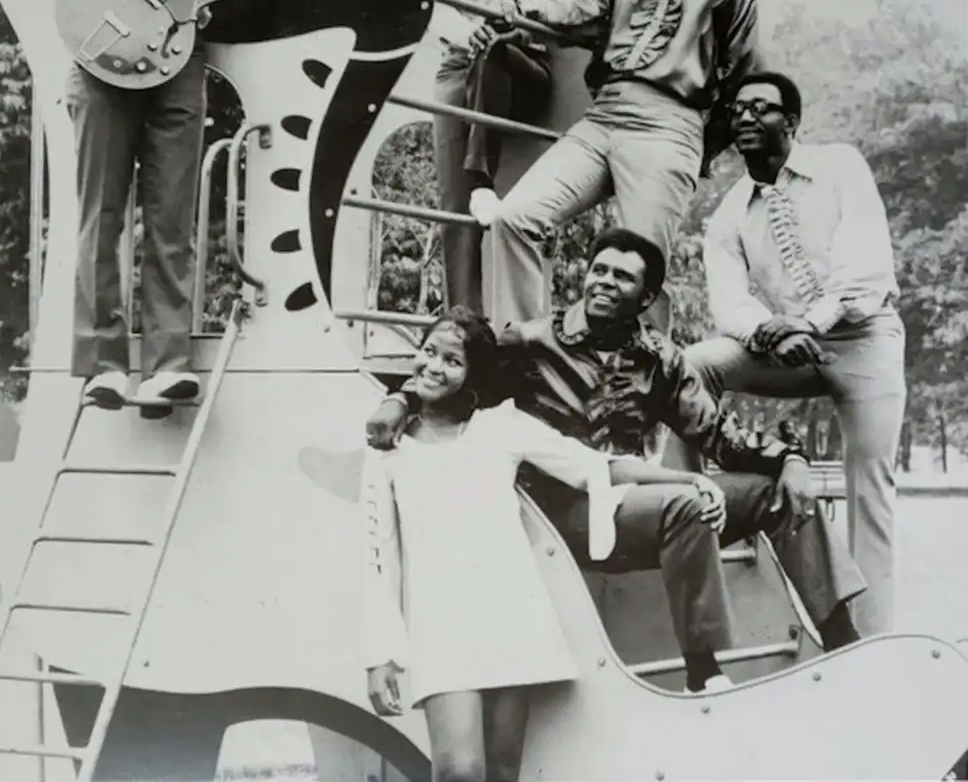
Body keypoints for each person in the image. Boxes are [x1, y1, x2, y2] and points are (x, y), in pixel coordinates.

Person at [366, 230, 867, 696]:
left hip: (632, 498)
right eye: (599, 270)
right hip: (559, 511)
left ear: (646, 298)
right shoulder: (530, 342)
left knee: (780, 492)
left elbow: (717, 434)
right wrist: (401, 400)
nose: (604, 282)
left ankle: (845, 643)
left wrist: (790, 459)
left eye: (622, 277)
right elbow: (454, 369)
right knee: (685, 503)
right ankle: (704, 673)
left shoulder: (661, 359)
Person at [361, 306, 740, 782]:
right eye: (429, 351)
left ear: (472, 374)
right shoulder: (387, 450)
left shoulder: (501, 427)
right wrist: (380, 655)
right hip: (439, 626)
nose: (434, 366)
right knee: (459, 770)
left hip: (512, 616)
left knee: (503, 772)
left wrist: (686, 479)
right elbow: (379, 558)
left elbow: (591, 466)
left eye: (452, 360)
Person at [55, 0, 268, 415]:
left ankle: (168, 367)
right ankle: (103, 366)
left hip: (179, 54)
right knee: (101, 212)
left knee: (174, 214)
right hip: (104, 46)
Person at [479, 0, 762, 328]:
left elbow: (744, 78)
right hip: (604, 115)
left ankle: (642, 372)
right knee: (514, 217)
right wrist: (525, 9)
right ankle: (525, 348)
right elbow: (578, 3)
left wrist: (700, 148)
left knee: (642, 265)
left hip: (670, 122)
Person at [689, 71, 906, 636]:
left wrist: (809, 322)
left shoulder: (840, 166)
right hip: (788, 347)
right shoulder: (730, 212)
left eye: (761, 108)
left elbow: (864, 266)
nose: (745, 118)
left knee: (871, 485)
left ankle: (875, 639)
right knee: (696, 365)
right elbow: (729, 302)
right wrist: (770, 333)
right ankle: (685, 507)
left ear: (790, 122)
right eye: (737, 110)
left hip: (865, 338)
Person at [429, 0, 589, 313]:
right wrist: (470, 34)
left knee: (522, 208)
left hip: (528, 73)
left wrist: (517, 21)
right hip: (461, 63)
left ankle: (513, 320)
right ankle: (463, 321)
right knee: (455, 203)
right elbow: (441, 1)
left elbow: (571, 8)